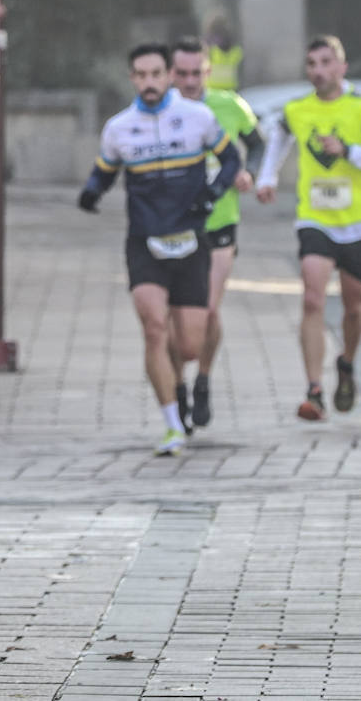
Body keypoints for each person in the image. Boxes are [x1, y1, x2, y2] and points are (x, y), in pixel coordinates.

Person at [77, 42, 241, 456]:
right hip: (144, 242)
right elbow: (105, 169)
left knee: (188, 345)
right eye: (140, 75)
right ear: (132, 78)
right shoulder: (119, 127)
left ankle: (183, 381)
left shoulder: (198, 119)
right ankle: (172, 425)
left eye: (156, 74)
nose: (148, 83)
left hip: (190, 242)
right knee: (153, 328)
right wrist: (91, 193)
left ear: (169, 75)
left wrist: (211, 195)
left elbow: (233, 161)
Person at [255, 35, 361, 421]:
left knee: (353, 306)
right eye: (311, 64)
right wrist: (267, 177)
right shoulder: (297, 109)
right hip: (315, 218)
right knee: (312, 297)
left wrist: (349, 152)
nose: (318, 71)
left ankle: (347, 364)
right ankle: (313, 390)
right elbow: (279, 137)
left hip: (359, 222)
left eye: (325, 63)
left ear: (342, 67)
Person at [167, 36, 264, 431]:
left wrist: (249, 172)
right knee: (176, 320)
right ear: (172, 73)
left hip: (220, 223)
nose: (190, 82)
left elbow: (256, 145)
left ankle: (203, 379)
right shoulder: (160, 110)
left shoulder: (229, 105)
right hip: (172, 226)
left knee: (207, 311)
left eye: (197, 73)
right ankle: (177, 389)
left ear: (207, 71)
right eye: (182, 74)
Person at [203, 9, 243, 93]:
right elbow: (239, 54)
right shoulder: (232, 39)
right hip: (230, 86)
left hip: (213, 87)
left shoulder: (209, 41)